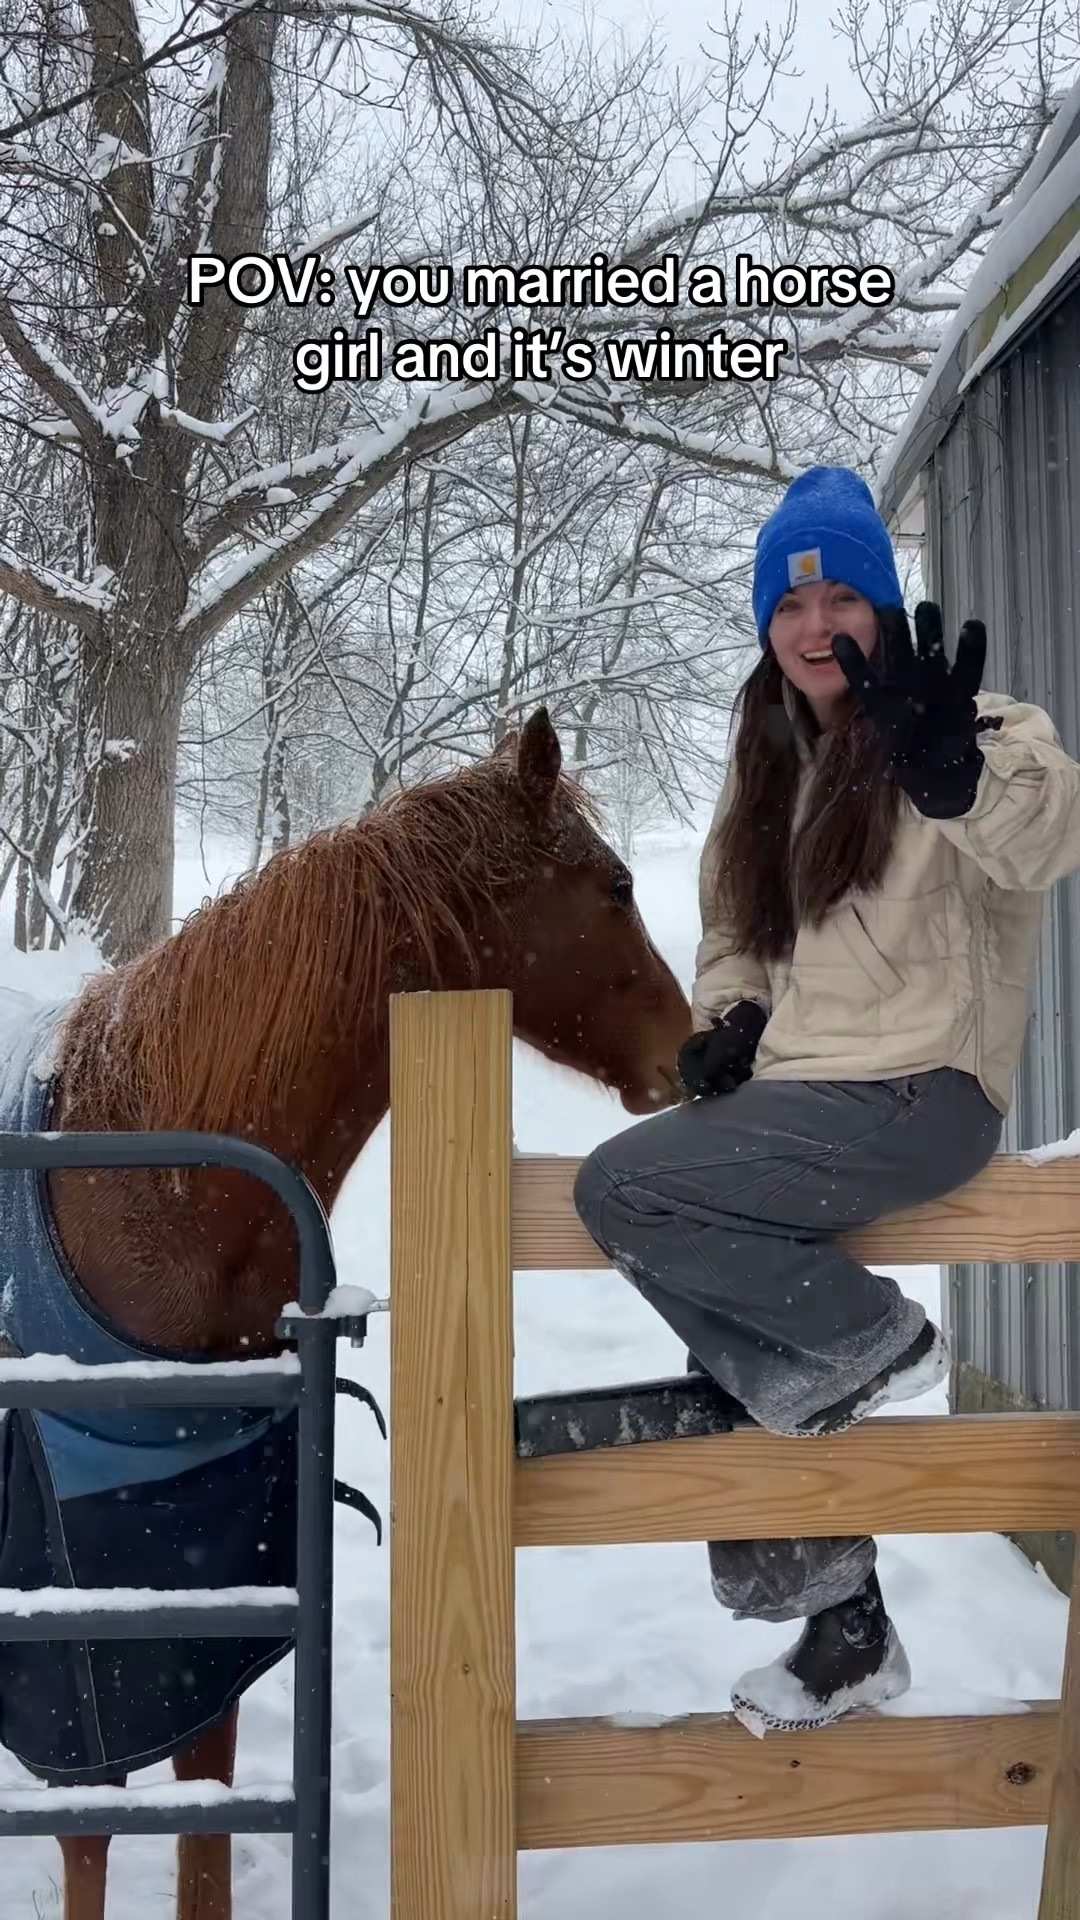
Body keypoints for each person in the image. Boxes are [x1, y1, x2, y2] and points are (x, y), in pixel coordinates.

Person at [573, 464, 1080, 1736]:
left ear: (881, 608)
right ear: (766, 629)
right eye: (791, 606)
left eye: (843, 595)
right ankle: (843, 1626)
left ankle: (876, 1342)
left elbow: (1047, 840)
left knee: (622, 1186)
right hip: (808, 1100)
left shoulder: (971, 728)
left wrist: (952, 772)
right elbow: (736, 939)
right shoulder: (764, 775)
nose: (816, 627)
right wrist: (731, 1022)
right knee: (745, 1350)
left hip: (924, 1088)